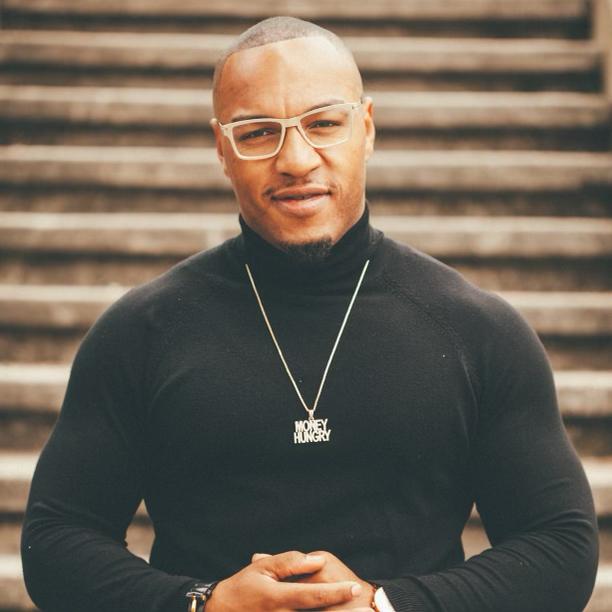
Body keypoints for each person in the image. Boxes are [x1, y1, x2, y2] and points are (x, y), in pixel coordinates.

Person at [21, 15, 598, 612]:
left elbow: (561, 544)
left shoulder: (479, 331)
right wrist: (204, 604)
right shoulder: (140, 333)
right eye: (257, 132)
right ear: (222, 149)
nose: (296, 159)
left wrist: (385, 606)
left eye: (323, 123)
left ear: (366, 128)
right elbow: (56, 539)